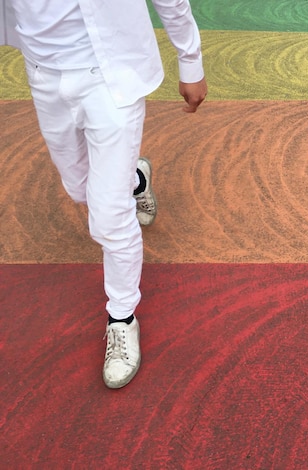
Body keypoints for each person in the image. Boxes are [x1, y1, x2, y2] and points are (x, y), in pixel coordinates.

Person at [1, 0, 207, 388]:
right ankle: (136, 181)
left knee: (109, 214)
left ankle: (122, 316)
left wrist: (190, 60)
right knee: (80, 189)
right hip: (43, 74)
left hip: (111, 74)